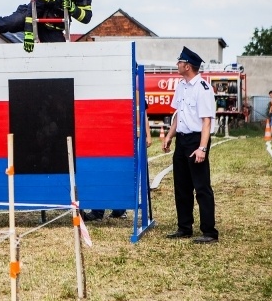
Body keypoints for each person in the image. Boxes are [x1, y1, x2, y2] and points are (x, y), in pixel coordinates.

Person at [162, 47, 218, 244]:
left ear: (187, 66)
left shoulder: (203, 88)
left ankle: (209, 231)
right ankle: (184, 227)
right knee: (181, 186)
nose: (177, 64)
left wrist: (202, 148)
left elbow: (206, 121)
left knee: (201, 187)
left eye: (179, 62)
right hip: (182, 140)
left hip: (196, 140)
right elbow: (179, 115)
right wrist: (169, 136)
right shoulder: (181, 86)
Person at [83, 102, 153, 222]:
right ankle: (98, 211)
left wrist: (148, 135)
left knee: (119, 172)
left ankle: (118, 209)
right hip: (103, 135)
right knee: (101, 172)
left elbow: (143, 112)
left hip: (122, 135)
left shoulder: (133, 93)